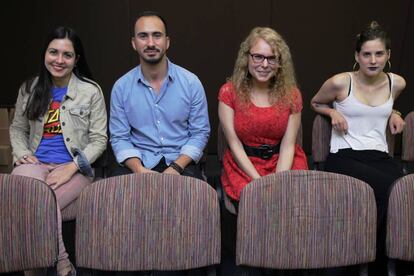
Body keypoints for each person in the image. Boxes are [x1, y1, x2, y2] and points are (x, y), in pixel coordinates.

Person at [9, 26, 107, 276]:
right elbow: (17, 129)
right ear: (45, 54)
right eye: (54, 52)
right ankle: (63, 262)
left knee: (38, 203)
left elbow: (98, 140)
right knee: (26, 195)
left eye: (67, 55)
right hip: (35, 164)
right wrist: (21, 153)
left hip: (76, 170)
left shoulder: (90, 91)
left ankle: (30, 270)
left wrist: (72, 167)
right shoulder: (29, 89)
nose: (59, 60)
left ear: (76, 60)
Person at [311, 21, 405, 276]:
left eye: (379, 53)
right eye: (366, 54)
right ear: (357, 56)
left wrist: (395, 113)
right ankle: (370, 264)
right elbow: (315, 102)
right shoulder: (341, 83)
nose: (373, 60)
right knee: (389, 189)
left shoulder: (397, 83)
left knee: (405, 187)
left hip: (379, 155)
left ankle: (391, 259)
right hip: (344, 156)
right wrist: (331, 111)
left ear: (388, 55)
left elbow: (383, 109)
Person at [218, 26, 308, 276]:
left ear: (280, 62)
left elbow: (289, 143)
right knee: (253, 204)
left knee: (287, 204)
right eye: (258, 56)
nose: (264, 64)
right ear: (247, 58)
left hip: (283, 161)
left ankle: (283, 264)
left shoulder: (291, 95)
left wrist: (277, 181)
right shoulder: (229, 92)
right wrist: (258, 181)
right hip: (244, 163)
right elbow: (233, 143)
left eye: (271, 58)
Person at [110, 11, 210, 180]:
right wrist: (139, 170)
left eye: (157, 35)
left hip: (182, 163)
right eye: (143, 36)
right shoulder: (121, 87)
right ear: (134, 43)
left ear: (167, 42)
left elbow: (200, 133)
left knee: (195, 202)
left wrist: (176, 167)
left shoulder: (191, 83)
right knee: (118, 202)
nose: (150, 43)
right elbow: (119, 137)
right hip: (138, 164)